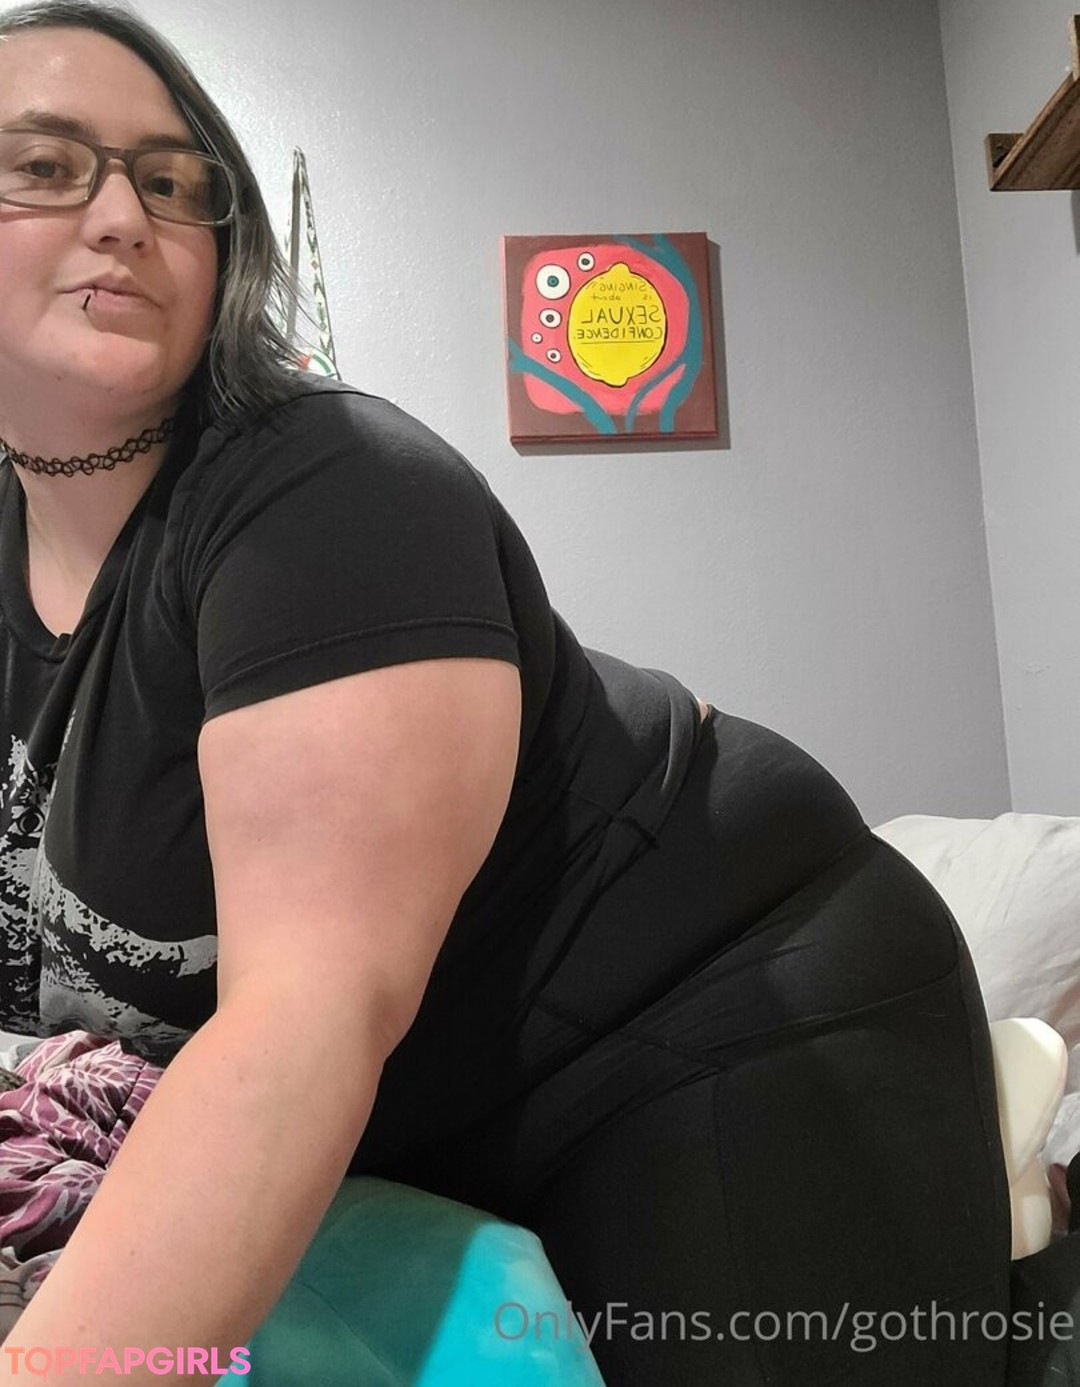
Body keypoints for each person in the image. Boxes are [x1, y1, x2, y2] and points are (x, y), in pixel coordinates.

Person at [0, 2, 1013, 1383]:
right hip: (428, 1101)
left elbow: (302, 1031)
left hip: (711, 1002)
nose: (127, 215)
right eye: (45, 165)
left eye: (175, 182)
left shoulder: (327, 490)